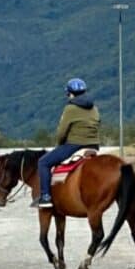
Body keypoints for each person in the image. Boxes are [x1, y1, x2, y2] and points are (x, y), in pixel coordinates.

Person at [32, 78, 100, 209]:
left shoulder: (70, 108)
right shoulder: (95, 108)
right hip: (94, 146)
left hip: (74, 145)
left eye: (68, 94)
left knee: (43, 162)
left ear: (70, 94)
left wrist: (60, 144)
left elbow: (62, 132)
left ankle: (45, 197)